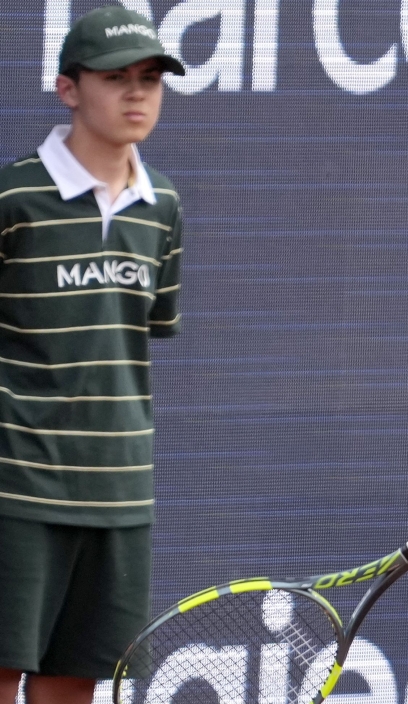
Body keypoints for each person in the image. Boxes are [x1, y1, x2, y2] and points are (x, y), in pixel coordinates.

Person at [0, 6, 185, 703]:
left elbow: (143, 330)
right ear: (68, 89)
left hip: (118, 494)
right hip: (15, 487)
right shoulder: (12, 198)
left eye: (150, 78)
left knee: (72, 686)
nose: (137, 93)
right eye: (115, 78)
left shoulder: (163, 206)